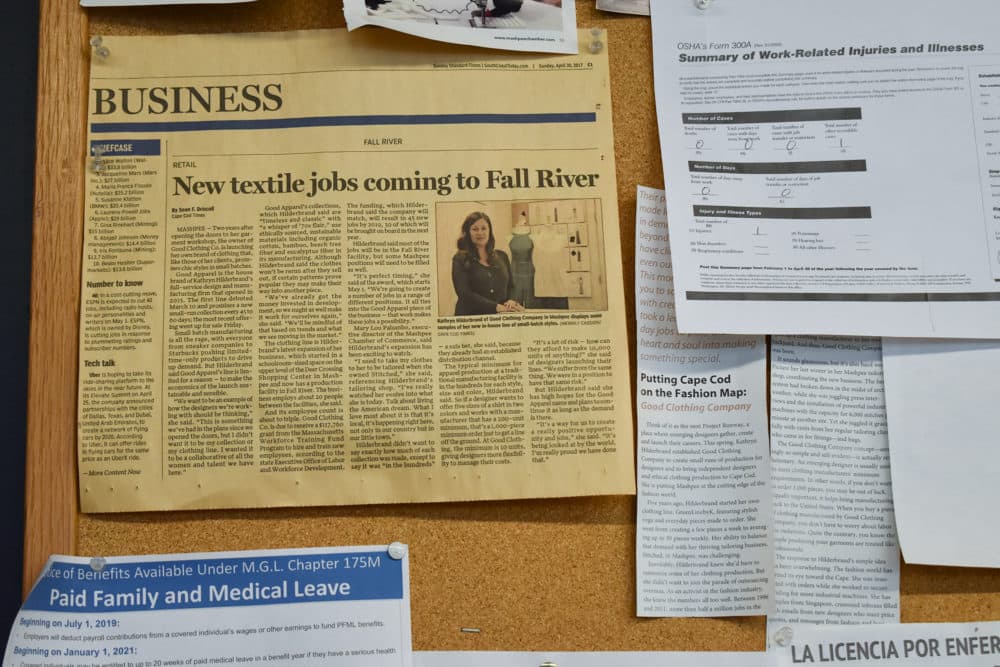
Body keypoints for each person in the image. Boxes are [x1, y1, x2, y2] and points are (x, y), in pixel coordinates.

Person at [452, 211, 524, 316]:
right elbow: (464, 294)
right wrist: (496, 307)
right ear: (467, 232)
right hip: (471, 318)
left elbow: (512, 286)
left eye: (484, 228)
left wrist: (512, 300)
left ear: (490, 231)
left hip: (500, 317)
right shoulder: (460, 258)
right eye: (475, 229)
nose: (480, 233)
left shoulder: (502, 256)